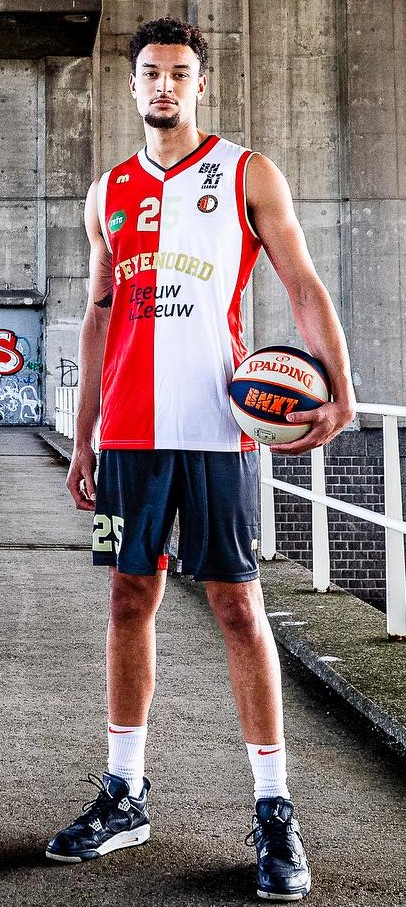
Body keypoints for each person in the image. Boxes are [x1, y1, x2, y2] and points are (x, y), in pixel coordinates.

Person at [46, 16, 355, 901]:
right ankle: (124, 792)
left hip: (221, 431)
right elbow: (100, 315)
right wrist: (84, 435)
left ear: (200, 84)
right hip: (128, 436)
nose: (164, 86)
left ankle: (273, 807)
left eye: (180, 73)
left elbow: (302, 282)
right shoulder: (106, 191)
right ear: (132, 84)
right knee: (127, 596)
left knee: (239, 605)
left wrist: (340, 386)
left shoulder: (247, 172)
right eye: (151, 72)